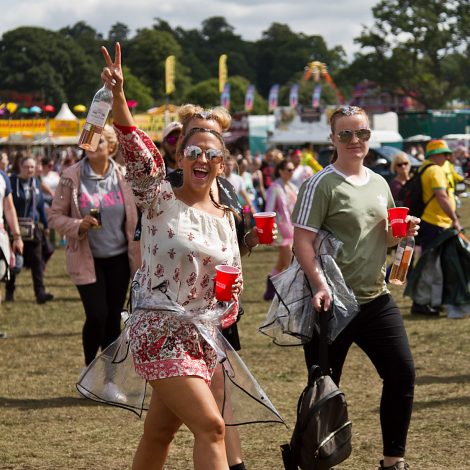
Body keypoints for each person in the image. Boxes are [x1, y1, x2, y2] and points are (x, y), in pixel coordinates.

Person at [102, 43, 244, 470]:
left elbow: (230, 279)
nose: (203, 159)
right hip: (158, 326)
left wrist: (231, 292)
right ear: (180, 156)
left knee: (160, 432)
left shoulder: (224, 216)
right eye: (194, 151)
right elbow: (137, 153)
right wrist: (119, 99)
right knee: (212, 427)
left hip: (201, 335)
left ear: (222, 164)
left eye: (212, 154)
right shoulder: (160, 197)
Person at [292, 105, 418, 470]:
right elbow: (302, 243)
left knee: (401, 372)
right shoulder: (320, 183)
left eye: (361, 133)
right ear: (332, 139)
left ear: (369, 137)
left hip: (375, 298)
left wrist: (403, 231)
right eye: (345, 134)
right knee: (323, 387)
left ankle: (394, 460)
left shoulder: (380, 182)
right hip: (331, 302)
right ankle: (312, 460)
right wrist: (319, 285)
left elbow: (387, 236)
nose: (354, 140)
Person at [48, 125, 140, 369]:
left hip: (120, 259)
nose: (90, 146)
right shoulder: (71, 176)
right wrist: (79, 224)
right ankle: (89, 368)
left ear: (111, 146)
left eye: (97, 142)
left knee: (112, 319)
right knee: (97, 315)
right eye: (87, 141)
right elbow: (54, 216)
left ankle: (108, 378)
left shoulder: (123, 175)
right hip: (87, 258)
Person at [410, 139, 464, 318]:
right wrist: (455, 219)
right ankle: (422, 302)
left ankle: (430, 301)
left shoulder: (424, 167)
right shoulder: (435, 170)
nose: (447, 156)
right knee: (432, 265)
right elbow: (442, 196)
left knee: (433, 264)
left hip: (432, 222)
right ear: (435, 155)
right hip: (435, 223)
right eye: (444, 153)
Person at [6, 156, 52, 304]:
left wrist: (45, 224)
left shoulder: (36, 183)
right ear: (20, 166)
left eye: (32, 167)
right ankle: (9, 292)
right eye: (26, 167)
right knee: (13, 262)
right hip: (15, 228)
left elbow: (40, 206)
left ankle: (40, 293)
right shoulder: (12, 182)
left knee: (37, 262)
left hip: (33, 229)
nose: (29, 170)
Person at [263, 159, 298, 301]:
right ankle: (292, 292)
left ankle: (270, 290)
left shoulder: (292, 187)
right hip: (282, 232)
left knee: (282, 263)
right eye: (288, 170)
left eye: (292, 169)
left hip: (292, 229)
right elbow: (269, 210)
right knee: (292, 262)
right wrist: (268, 229)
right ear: (281, 171)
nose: (291, 172)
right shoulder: (275, 187)